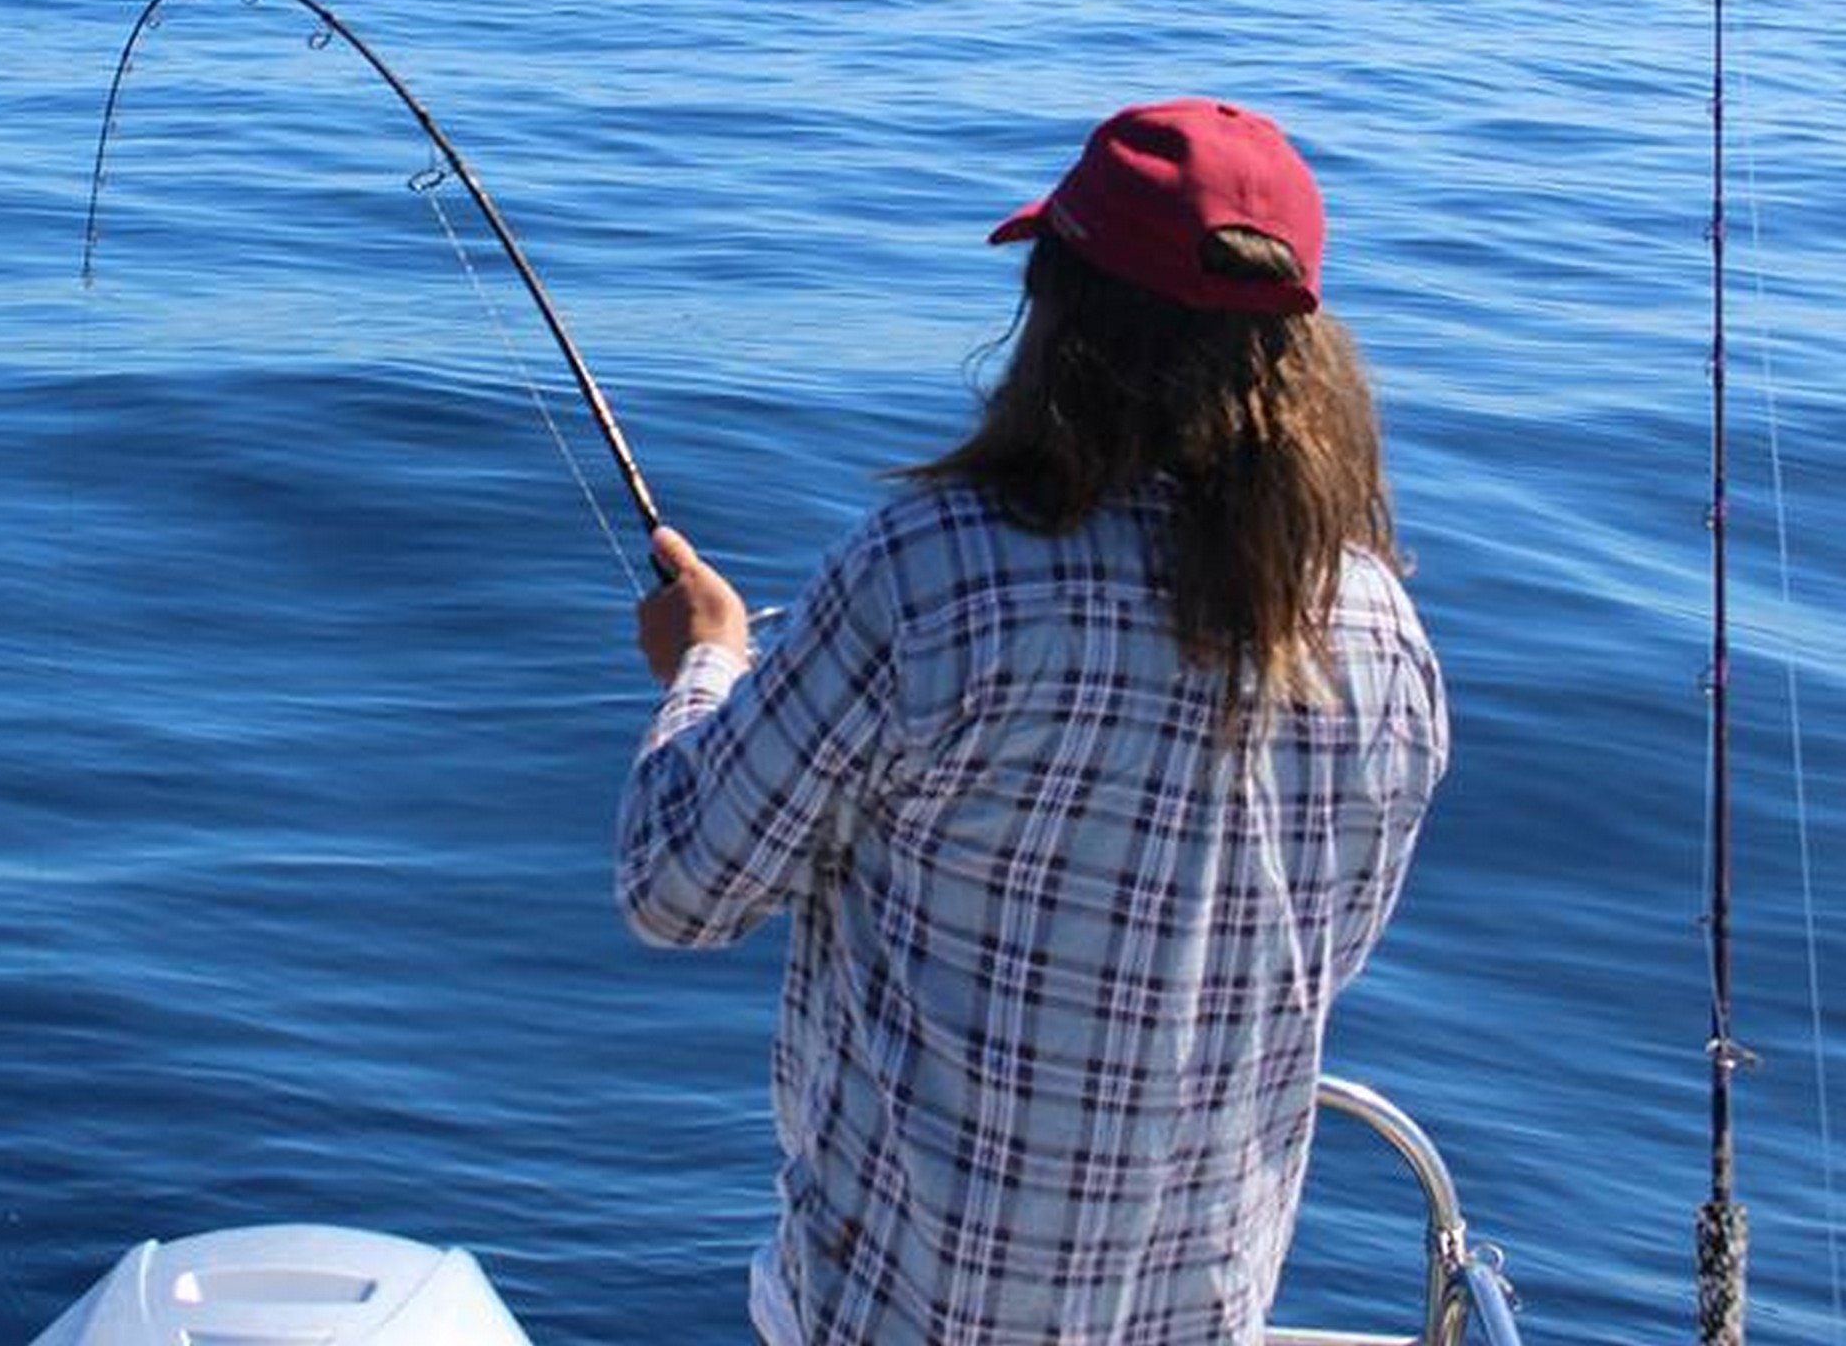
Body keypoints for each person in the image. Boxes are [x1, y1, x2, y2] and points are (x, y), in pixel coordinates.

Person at [615, 99, 1448, 1346]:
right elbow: (1323, 958)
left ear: (1059, 316)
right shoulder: (1383, 636)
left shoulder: (933, 576)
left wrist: (705, 665)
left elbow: (678, 886)